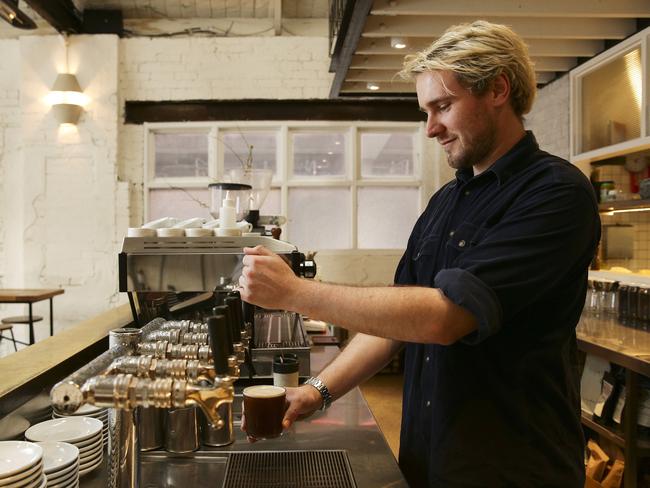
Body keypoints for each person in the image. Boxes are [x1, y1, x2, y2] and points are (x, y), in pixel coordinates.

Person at [238, 20, 600, 487]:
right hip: (429, 457)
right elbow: (395, 324)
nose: (431, 128)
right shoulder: (447, 201)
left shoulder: (556, 193)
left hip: (513, 466)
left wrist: (294, 293)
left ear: (498, 89)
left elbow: (443, 318)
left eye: (443, 106)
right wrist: (315, 392)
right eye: (425, 110)